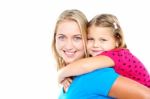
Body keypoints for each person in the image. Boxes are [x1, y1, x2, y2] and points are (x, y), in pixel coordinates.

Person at [52, 9, 150, 99]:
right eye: (62, 37)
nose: (68, 46)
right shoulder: (73, 78)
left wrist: (60, 74)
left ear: (117, 40)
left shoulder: (99, 72)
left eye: (77, 38)